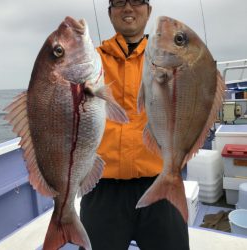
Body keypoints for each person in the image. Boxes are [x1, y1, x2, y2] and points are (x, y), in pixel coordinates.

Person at [80, 0, 190, 249]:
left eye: (137, 1)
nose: (128, 8)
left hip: (161, 182)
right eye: (119, 2)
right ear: (109, 13)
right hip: (102, 188)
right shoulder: (91, 61)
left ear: (149, 10)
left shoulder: (168, 58)